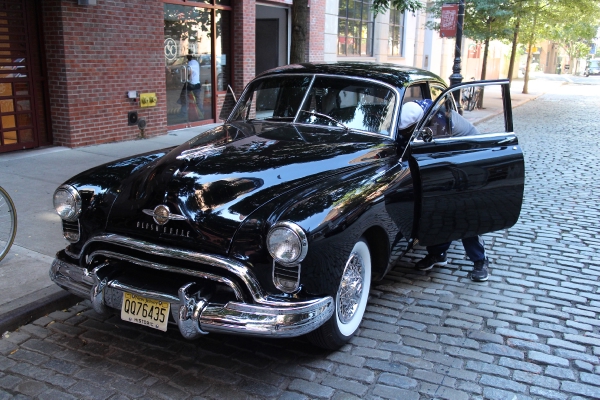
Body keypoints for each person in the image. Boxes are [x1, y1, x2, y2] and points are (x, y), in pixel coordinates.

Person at [408, 97, 489, 282]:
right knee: (438, 210)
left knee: (464, 213)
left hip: (469, 161)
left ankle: (480, 260)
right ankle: (438, 254)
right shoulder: (423, 115)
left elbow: (438, 152)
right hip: (448, 162)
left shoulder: (441, 122)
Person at [178, 53, 202, 118]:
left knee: (184, 96)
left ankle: (183, 114)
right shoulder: (196, 62)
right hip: (197, 83)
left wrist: (187, 78)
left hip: (191, 83)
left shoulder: (190, 63)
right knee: (198, 99)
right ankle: (202, 112)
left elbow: (189, 72)